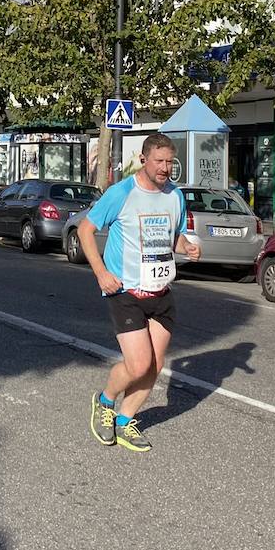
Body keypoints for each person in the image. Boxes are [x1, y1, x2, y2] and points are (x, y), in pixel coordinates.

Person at [78, 132, 201, 454]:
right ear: (143, 159)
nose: (164, 168)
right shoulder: (121, 193)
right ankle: (104, 402)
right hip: (125, 291)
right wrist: (101, 273)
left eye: (169, 162)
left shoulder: (175, 195)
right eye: (158, 161)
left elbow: (174, 237)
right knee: (138, 365)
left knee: (155, 366)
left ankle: (124, 421)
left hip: (160, 291)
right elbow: (85, 230)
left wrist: (186, 246)